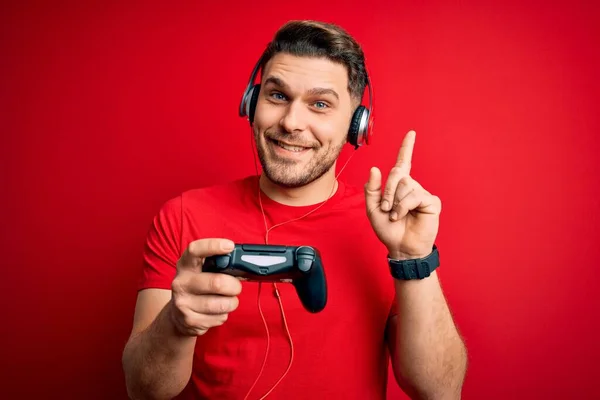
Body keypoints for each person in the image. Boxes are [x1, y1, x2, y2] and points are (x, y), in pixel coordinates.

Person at [122, 20, 467, 400]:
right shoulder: (183, 215)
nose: (290, 123)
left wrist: (411, 257)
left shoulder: (389, 229)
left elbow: (439, 391)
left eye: (320, 104)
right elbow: (144, 391)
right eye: (277, 96)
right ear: (251, 104)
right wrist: (176, 323)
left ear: (356, 125)